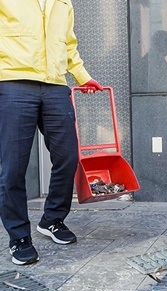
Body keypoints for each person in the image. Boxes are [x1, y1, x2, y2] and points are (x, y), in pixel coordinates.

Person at [0, 0, 102, 265]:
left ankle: (52, 220)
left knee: (67, 157)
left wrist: (81, 75)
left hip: (55, 84)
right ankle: (19, 236)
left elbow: (68, 43)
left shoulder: (63, 2)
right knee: (13, 167)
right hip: (13, 82)